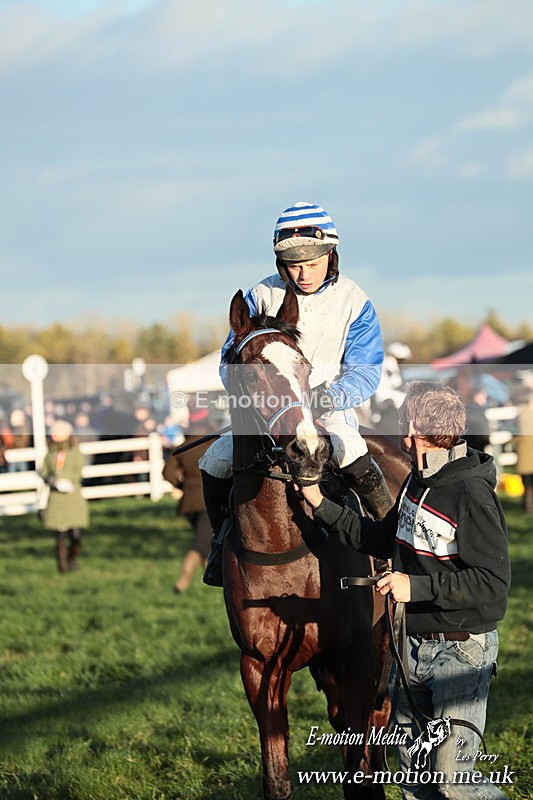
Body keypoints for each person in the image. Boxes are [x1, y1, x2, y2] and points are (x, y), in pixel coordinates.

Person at [296, 381, 510, 800]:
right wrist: (318, 501)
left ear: (418, 430)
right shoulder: (418, 481)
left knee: (453, 781)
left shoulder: (470, 492)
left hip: (460, 650)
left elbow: (493, 582)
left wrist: (414, 585)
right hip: (411, 646)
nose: (399, 434)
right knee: (414, 780)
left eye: (403, 424)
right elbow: (379, 538)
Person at [200, 200, 390, 586]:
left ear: (330, 254)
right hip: (269, 411)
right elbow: (228, 361)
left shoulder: (355, 302)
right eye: (292, 265)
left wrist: (327, 398)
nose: (302, 274)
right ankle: (221, 543)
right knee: (213, 461)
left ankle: (390, 540)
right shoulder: (260, 295)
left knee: (351, 449)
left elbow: (367, 371)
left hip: (328, 406)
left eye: (311, 263)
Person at [162, 406, 214, 593]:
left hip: (189, 503)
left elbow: (167, 473)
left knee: (206, 540)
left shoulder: (182, 448)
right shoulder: (213, 444)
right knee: (201, 544)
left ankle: (211, 580)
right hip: (209, 501)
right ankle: (181, 583)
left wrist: (183, 486)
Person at [39, 420, 89, 574]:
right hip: (56, 498)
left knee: (75, 533)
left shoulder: (74, 451)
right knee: (59, 534)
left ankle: (72, 559)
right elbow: (43, 471)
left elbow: (78, 470)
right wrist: (52, 481)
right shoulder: (50, 452)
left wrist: (69, 481)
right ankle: (62, 567)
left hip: (72, 496)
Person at [515, 390, 533, 513]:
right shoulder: (528, 416)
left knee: (527, 485)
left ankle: (528, 508)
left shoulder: (519, 416)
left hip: (524, 456)